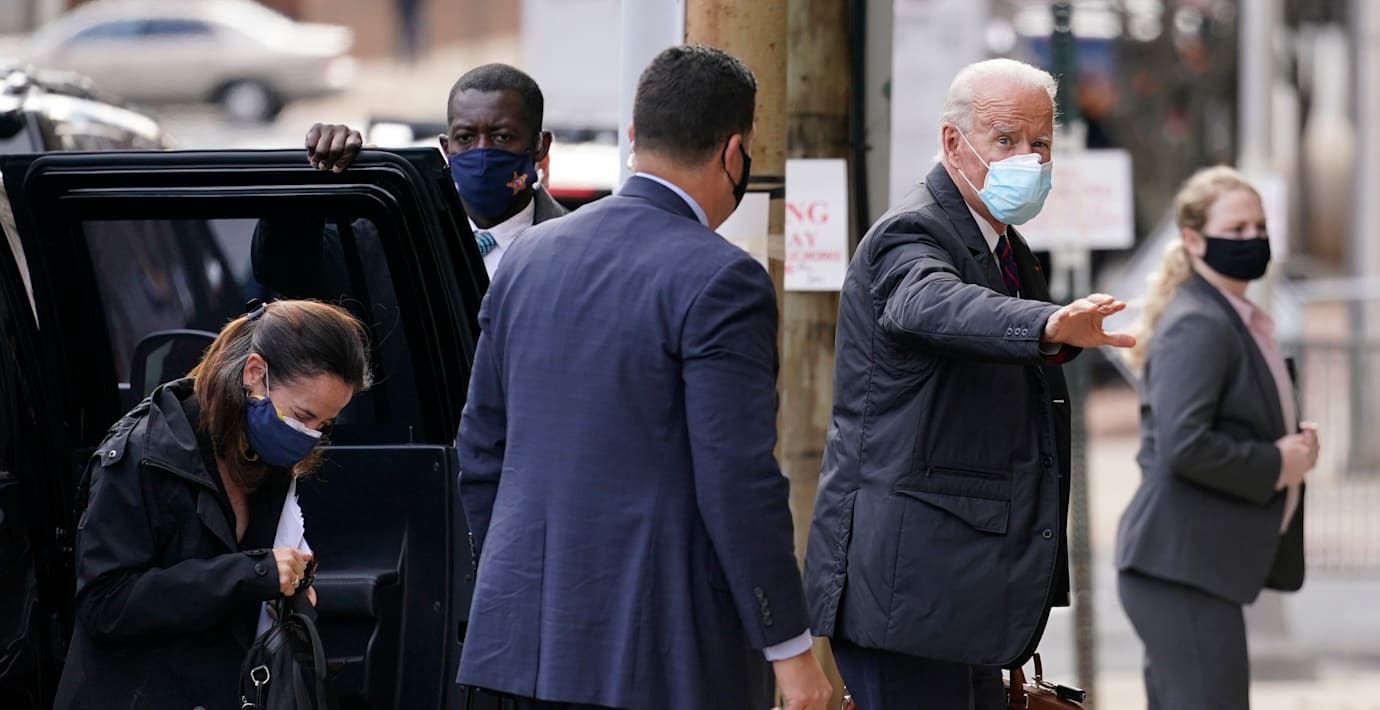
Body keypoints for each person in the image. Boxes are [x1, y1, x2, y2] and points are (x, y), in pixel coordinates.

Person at [455, 45, 832, 710]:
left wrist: (513, 581)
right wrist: (791, 651)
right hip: (662, 656)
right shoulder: (724, 279)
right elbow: (737, 481)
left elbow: (481, 450)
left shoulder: (529, 256)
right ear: (734, 153)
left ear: (634, 136)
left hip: (520, 648)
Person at [801, 58, 1135, 709]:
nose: (1029, 159)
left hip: (961, 596)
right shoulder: (913, 230)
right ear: (953, 142)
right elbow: (930, 304)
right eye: (1005, 139)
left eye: (1041, 143)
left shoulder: (1003, 244)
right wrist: (1047, 324)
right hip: (908, 598)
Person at [54, 300, 372, 710]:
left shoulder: (265, 456)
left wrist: (289, 587)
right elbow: (105, 603)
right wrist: (252, 573)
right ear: (254, 374)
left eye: (323, 426)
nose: (309, 436)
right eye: (302, 416)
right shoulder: (143, 454)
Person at [1116, 166, 1316, 709]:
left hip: (1194, 569)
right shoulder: (1199, 322)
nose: (1253, 238)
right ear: (1193, 239)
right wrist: (1277, 463)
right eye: (1237, 229)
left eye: (1260, 227)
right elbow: (1184, 444)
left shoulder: (1230, 315)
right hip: (1179, 569)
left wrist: (1293, 450)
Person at [260, 62, 567, 283]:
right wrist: (320, 172)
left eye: (502, 137)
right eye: (465, 138)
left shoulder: (577, 248)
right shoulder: (395, 236)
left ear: (540, 146)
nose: (482, 152)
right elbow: (283, 270)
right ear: (446, 148)